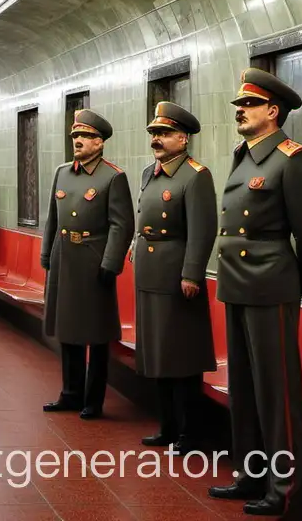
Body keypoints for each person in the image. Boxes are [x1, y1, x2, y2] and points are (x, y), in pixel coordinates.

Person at [207, 70, 302, 516]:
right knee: (243, 386)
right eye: (239, 105)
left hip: (270, 285)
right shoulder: (245, 155)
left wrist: (301, 277)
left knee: (277, 392)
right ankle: (250, 473)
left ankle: (288, 490)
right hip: (237, 286)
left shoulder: (291, 160)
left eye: (248, 105)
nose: (239, 111)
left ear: (272, 111)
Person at [131, 102, 216, 453]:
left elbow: (202, 229)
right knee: (157, 354)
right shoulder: (150, 173)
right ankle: (166, 426)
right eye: (154, 133)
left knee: (181, 357)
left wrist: (192, 273)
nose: (157, 139)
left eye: (164, 134)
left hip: (176, 276)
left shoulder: (195, 175)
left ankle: (189, 433)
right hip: (149, 274)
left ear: (183, 139)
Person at [40, 109, 134, 420]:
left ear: (100, 143)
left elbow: (122, 225)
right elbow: (53, 218)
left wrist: (110, 263)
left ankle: (93, 400)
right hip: (64, 258)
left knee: (95, 333)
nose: (78, 141)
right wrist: (46, 254)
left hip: (93, 263)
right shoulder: (63, 172)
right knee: (68, 330)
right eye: (75, 137)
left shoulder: (113, 177)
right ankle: (70, 393)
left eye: (85, 137)